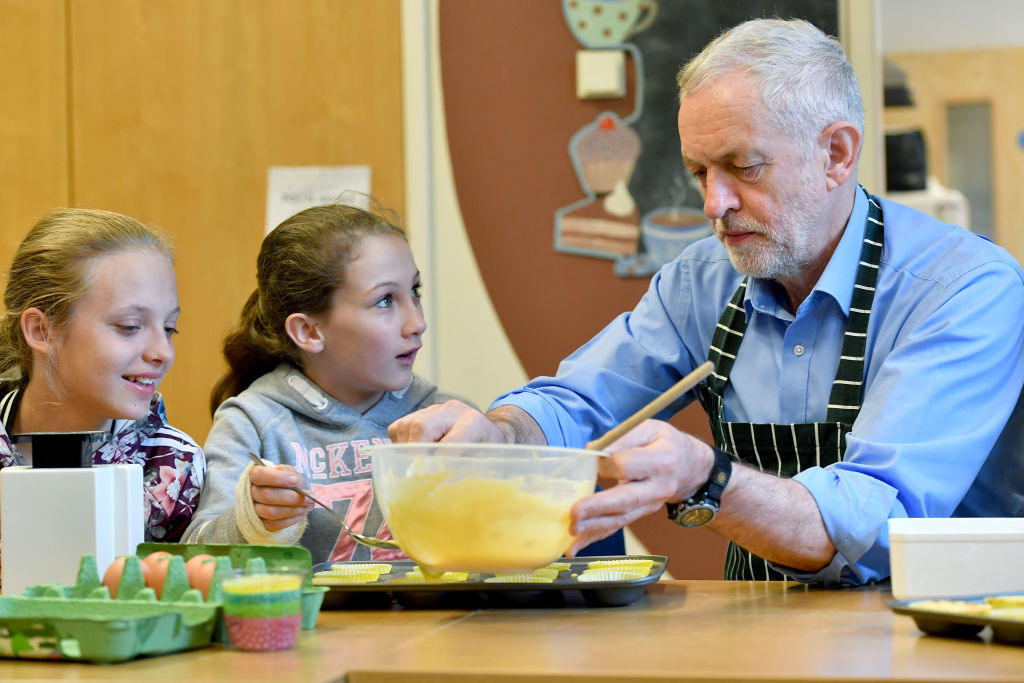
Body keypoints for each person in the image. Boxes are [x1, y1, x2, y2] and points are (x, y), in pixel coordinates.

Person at [389, 18, 1024, 586]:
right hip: (759, 634)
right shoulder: (702, 284)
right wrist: (494, 436)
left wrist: (709, 478)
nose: (712, 205)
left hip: (934, 638)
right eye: (699, 172)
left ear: (837, 154)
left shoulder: (963, 288)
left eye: (743, 167)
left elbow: (879, 524)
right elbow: (581, 403)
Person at [182, 203, 470, 564]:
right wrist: (251, 520)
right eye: (385, 300)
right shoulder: (253, 422)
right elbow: (195, 556)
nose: (416, 322)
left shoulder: (449, 419)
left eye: (415, 291)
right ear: (309, 331)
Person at [0, 208, 206, 542]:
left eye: (169, 328)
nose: (163, 352)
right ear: (41, 330)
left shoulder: (174, 465)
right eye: (130, 327)